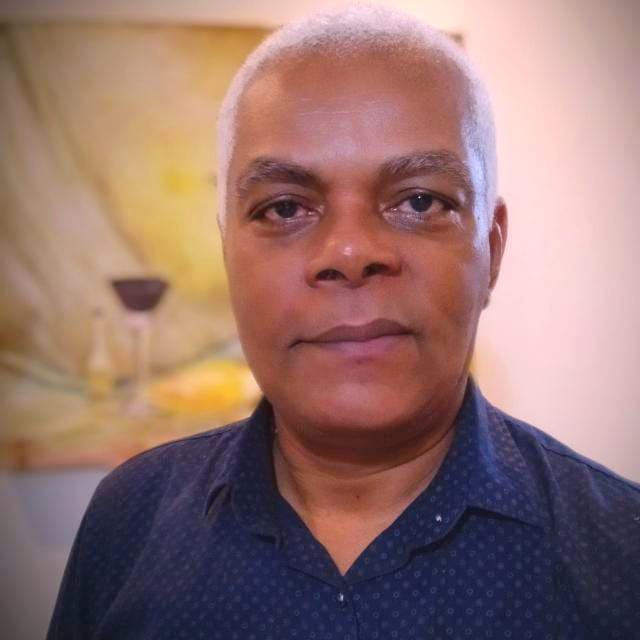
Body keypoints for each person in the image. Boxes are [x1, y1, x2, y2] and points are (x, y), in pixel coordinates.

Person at [48, 5, 640, 639]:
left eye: (419, 201)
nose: (351, 252)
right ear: (227, 254)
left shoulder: (621, 557)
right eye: (284, 209)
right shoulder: (129, 522)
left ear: (491, 252)